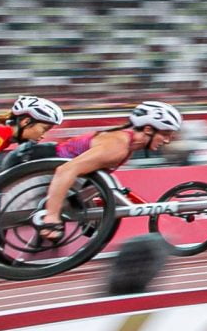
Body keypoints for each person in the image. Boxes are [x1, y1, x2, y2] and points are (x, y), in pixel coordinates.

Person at [39, 101, 182, 240]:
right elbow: (65, 171)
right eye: (165, 134)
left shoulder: (128, 145)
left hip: (50, 171)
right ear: (148, 130)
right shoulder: (118, 146)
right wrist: (51, 217)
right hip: (36, 163)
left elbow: (94, 178)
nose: (167, 140)